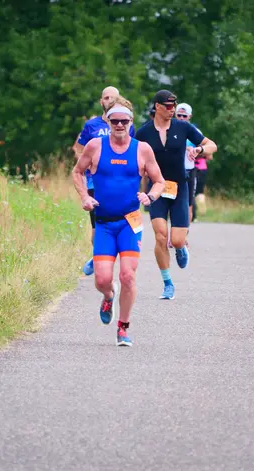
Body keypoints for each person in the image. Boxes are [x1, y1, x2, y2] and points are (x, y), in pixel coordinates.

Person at [71, 97, 165, 346]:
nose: (120, 125)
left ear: (131, 122)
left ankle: (123, 328)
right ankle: (108, 296)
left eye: (124, 121)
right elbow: (77, 172)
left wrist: (150, 196)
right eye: (115, 121)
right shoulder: (95, 146)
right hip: (103, 223)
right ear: (108, 122)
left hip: (129, 223)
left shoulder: (142, 149)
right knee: (102, 280)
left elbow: (159, 181)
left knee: (127, 276)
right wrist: (84, 197)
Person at [135, 90, 217, 300]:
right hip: (156, 189)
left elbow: (212, 145)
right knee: (160, 235)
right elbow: (130, 155)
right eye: (169, 106)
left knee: (178, 240)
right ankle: (167, 283)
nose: (173, 110)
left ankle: (180, 248)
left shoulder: (183, 127)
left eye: (174, 105)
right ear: (157, 106)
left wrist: (199, 150)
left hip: (180, 187)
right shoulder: (144, 132)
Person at [72, 86, 135, 276]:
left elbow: (132, 151)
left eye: (113, 98)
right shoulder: (91, 125)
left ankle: (107, 260)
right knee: (97, 226)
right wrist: (88, 162)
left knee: (123, 224)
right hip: (95, 182)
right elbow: (78, 149)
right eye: (106, 98)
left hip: (121, 183)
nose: (109, 101)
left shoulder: (125, 123)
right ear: (101, 101)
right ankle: (100, 259)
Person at [175, 102, 201, 223]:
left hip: (189, 170)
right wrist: (186, 148)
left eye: (184, 116)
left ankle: (185, 232)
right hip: (172, 170)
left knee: (188, 204)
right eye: (179, 115)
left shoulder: (195, 132)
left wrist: (197, 150)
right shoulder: (169, 130)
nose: (181, 118)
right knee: (172, 203)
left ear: (189, 116)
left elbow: (206, 150)